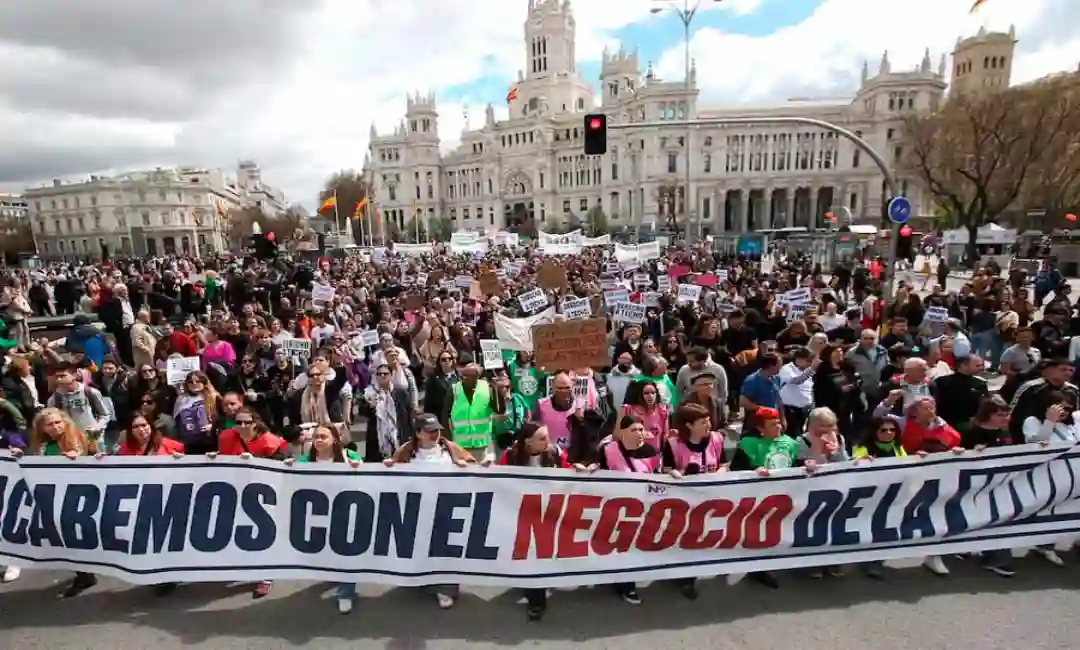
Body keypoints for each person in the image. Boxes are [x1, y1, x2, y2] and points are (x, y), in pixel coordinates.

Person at [384, 413, 475, 609]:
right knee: (421, 547)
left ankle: (446, 589)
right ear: (418, 433)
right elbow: (392, 477)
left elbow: (474, 468)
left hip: (446, 509)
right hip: (417, 509)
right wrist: (389, 468)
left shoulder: (450, 449)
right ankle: (422, 579)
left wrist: (464, 467)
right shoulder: (406, 452)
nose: (435, 434)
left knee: (445, 550)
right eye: (430, 431)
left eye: (437, 430)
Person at [284, 424, 362, 613]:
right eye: (316, 437)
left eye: (323, 437)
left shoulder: (350, 457)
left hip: (344, 513)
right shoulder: (303, 461)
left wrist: (358, 469)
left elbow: (365, 482)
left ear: (334, 439)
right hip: (317, 515)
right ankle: (335, 574)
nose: (318, 440)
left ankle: (345, 593)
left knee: (346, 553)